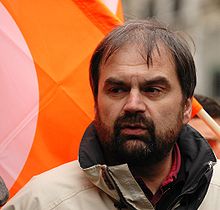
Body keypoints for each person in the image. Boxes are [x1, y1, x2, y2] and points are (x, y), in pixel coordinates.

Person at [3, 19, 220, 210]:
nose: (133, 105)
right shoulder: (41, 202)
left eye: (152, 89)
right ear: (96, 103)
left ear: (186, 108)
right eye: (117, 90)